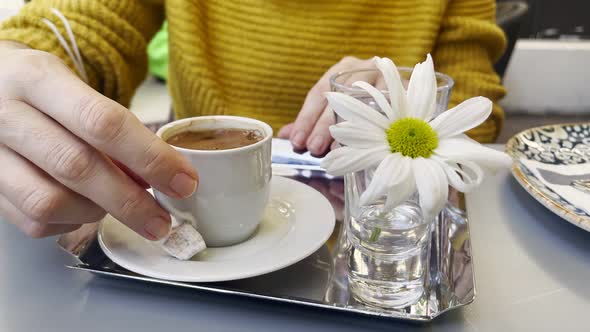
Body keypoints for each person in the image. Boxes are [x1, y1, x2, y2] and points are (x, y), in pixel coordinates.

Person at [0, 0, 506, 240]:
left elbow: (474, 125)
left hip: (371, 229)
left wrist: (399, 91)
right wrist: (14, 61)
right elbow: (77, 28)